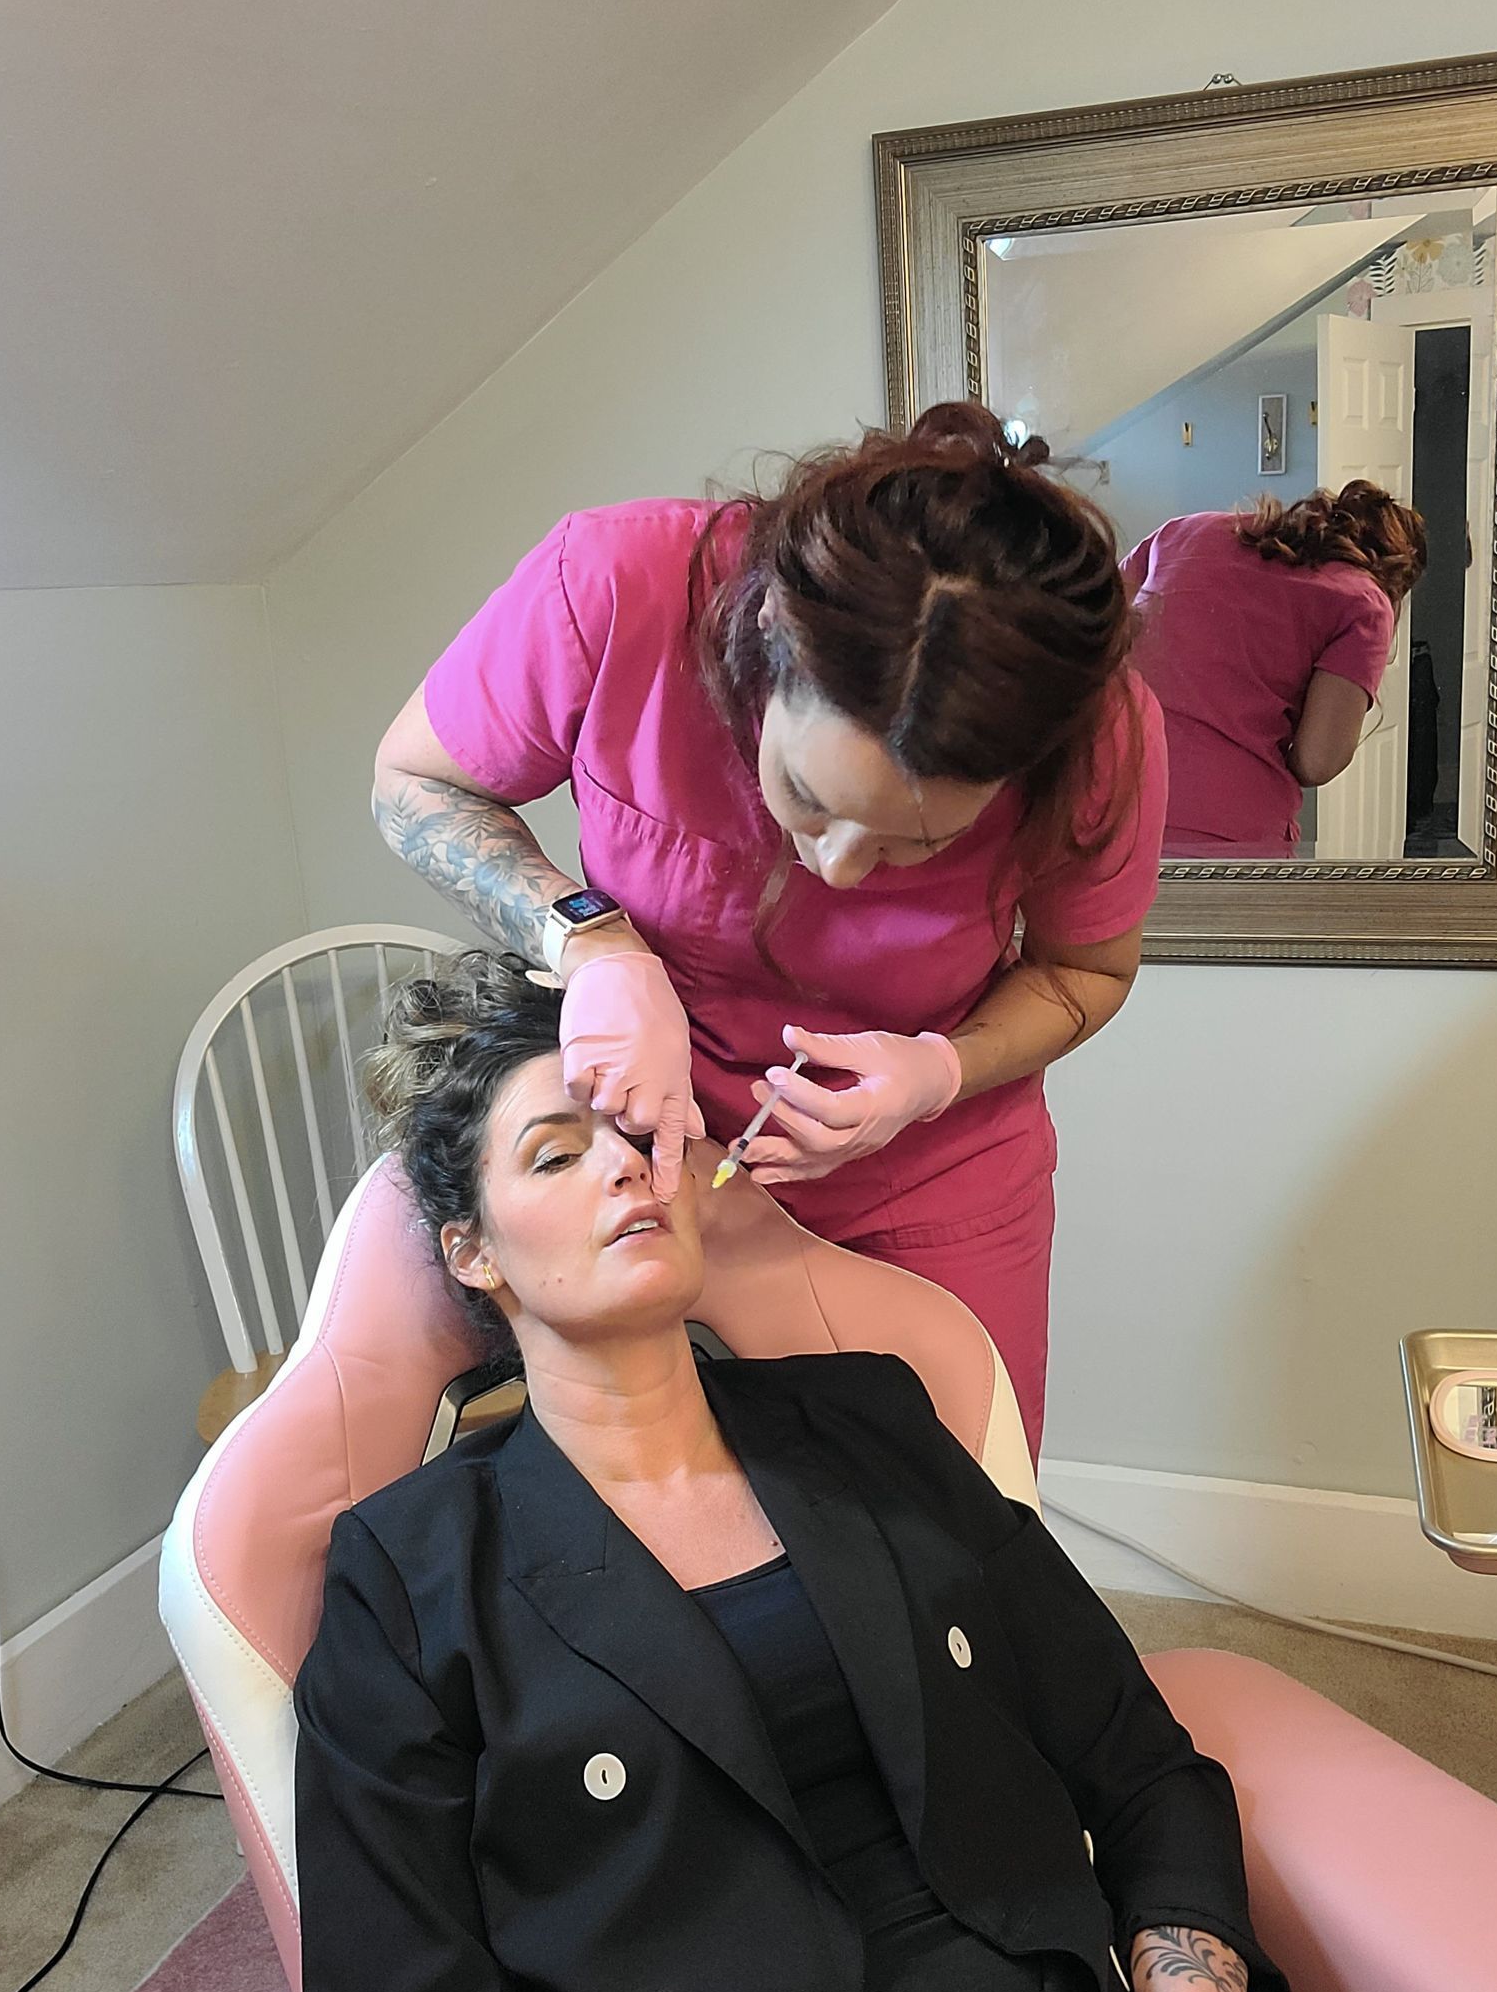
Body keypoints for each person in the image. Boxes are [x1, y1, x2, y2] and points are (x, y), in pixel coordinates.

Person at [293, 953, 1497, 1992]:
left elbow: (1142, 1764)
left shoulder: (871, 1427)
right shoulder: (411, 1576)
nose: (628, 1169)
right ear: (473, 1251)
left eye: (646, 1133)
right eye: (556, 1152)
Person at [370, 404, 1170, 1457]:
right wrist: (590, 942)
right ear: (760, 646)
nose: (836, 866)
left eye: (912, 844)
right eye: (804, 793)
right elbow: (413, 781)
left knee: (953, 1504)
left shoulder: (1102, 739)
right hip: (656, 1143)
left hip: (933, 1169)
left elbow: (1085, 970)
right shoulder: (619, 586)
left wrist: (942, 1068)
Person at [1124, 483, 1425, 858]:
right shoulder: (1364, 602)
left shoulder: (1184, 531)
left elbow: (1093, 637)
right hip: (1230, 840)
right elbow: (1316, 762)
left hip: (1109, 813)